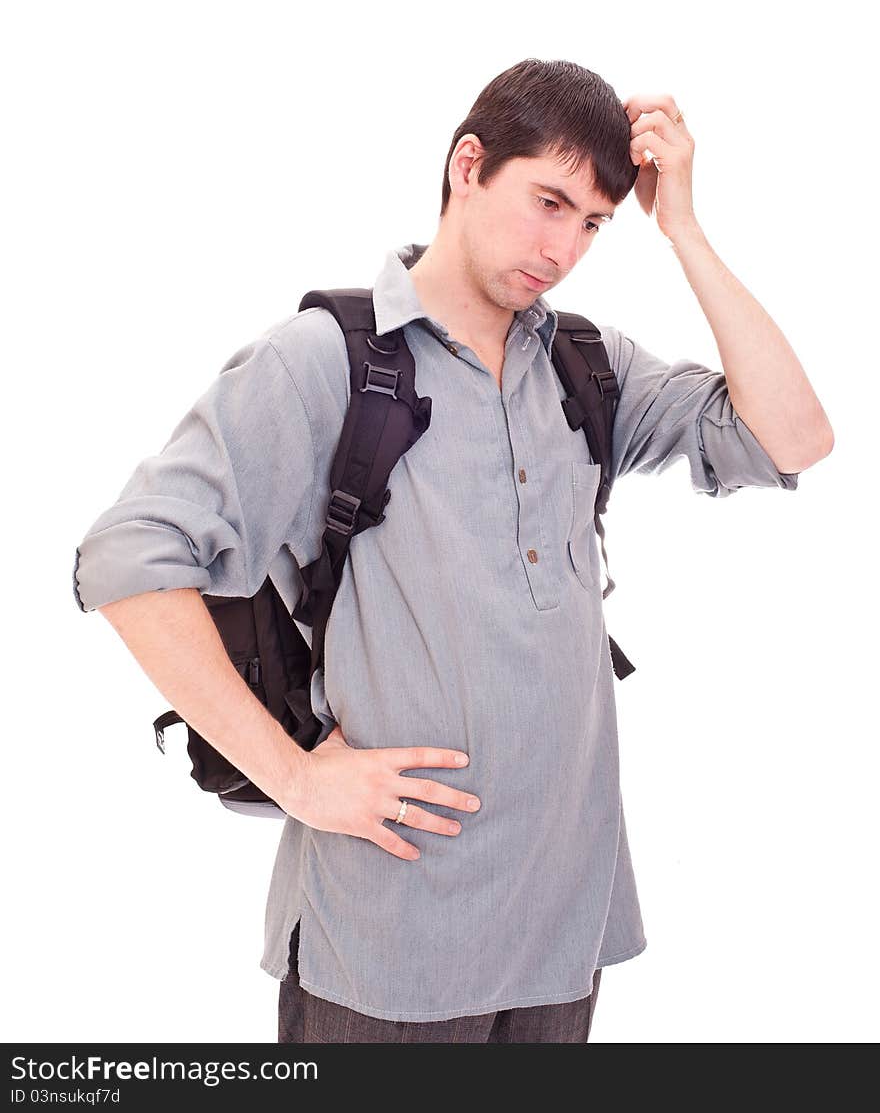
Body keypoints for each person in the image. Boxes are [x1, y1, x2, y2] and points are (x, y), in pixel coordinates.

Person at [72, 58, 833, 1043]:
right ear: (467, 166)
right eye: (547, 202)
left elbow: (794, 437)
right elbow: (127, 553)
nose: (563, 248)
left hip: (562, 930)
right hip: (387, 947)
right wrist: (295, 777)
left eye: (594, 222)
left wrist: (679, 224)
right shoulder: (326, 360)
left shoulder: (586, 367)